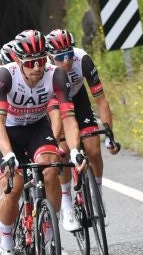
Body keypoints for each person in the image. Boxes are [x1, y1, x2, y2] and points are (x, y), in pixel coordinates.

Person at [0, 30, 77, 255]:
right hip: (9, 132)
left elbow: (68, 117)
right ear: (18, 61)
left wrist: (75, 148)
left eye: (41, 60)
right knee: (12, 186)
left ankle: (49, 231)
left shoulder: (56, 74)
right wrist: (7, 154)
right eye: (30, 63)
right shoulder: (5, 76)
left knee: (50, 168)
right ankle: (5, 245)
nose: (37, 67)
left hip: (37, 127)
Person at [45, 28, 119, 233]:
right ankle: (67, 204)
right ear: (51, 56)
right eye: (60, 57)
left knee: (93, 149)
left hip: (78, 100)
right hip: (55, 105)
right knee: (63, 151)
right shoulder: (45, 70)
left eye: (69, 54)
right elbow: (58, 115)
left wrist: (109, 135)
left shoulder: (82, 60)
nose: (66, 61)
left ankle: (98, 197)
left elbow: (102, 101)